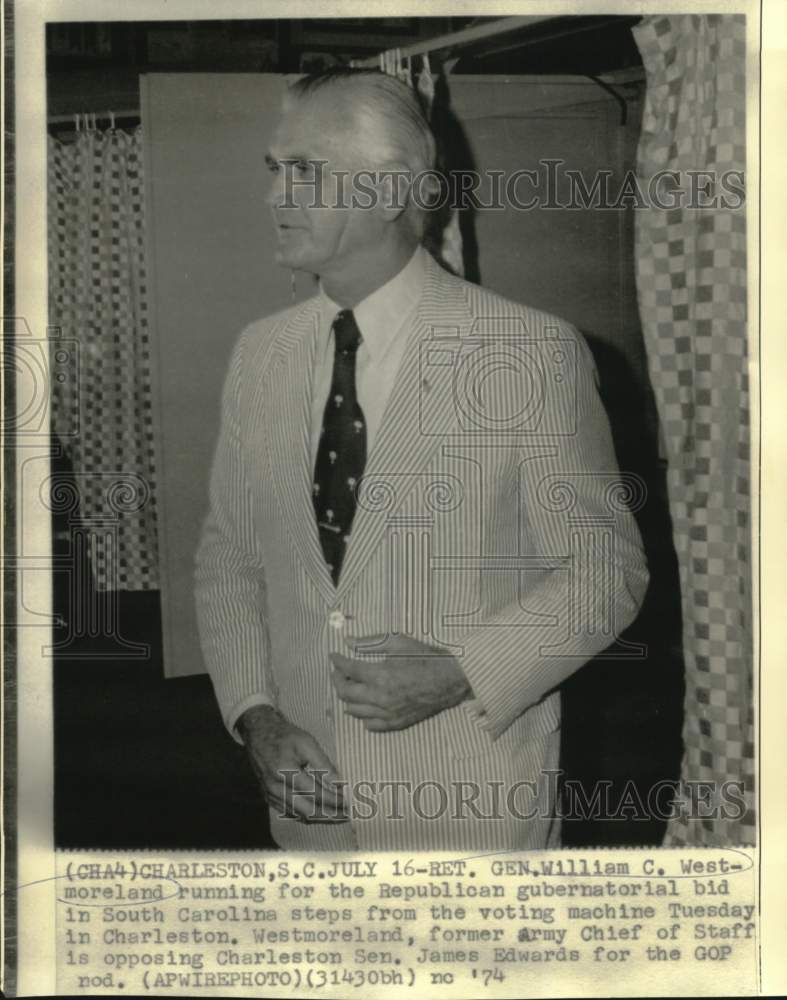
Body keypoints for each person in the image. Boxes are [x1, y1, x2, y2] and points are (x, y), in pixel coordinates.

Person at [195, 67, 649, 851]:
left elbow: (606, 571)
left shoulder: (527, 351)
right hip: (309, 808)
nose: (275, 195)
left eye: (305, 170)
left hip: (468, 800)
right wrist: (254, 714)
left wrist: (464, 669)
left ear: (390, 187)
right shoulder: (260, 354)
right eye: (275, 169)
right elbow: (229, 559)